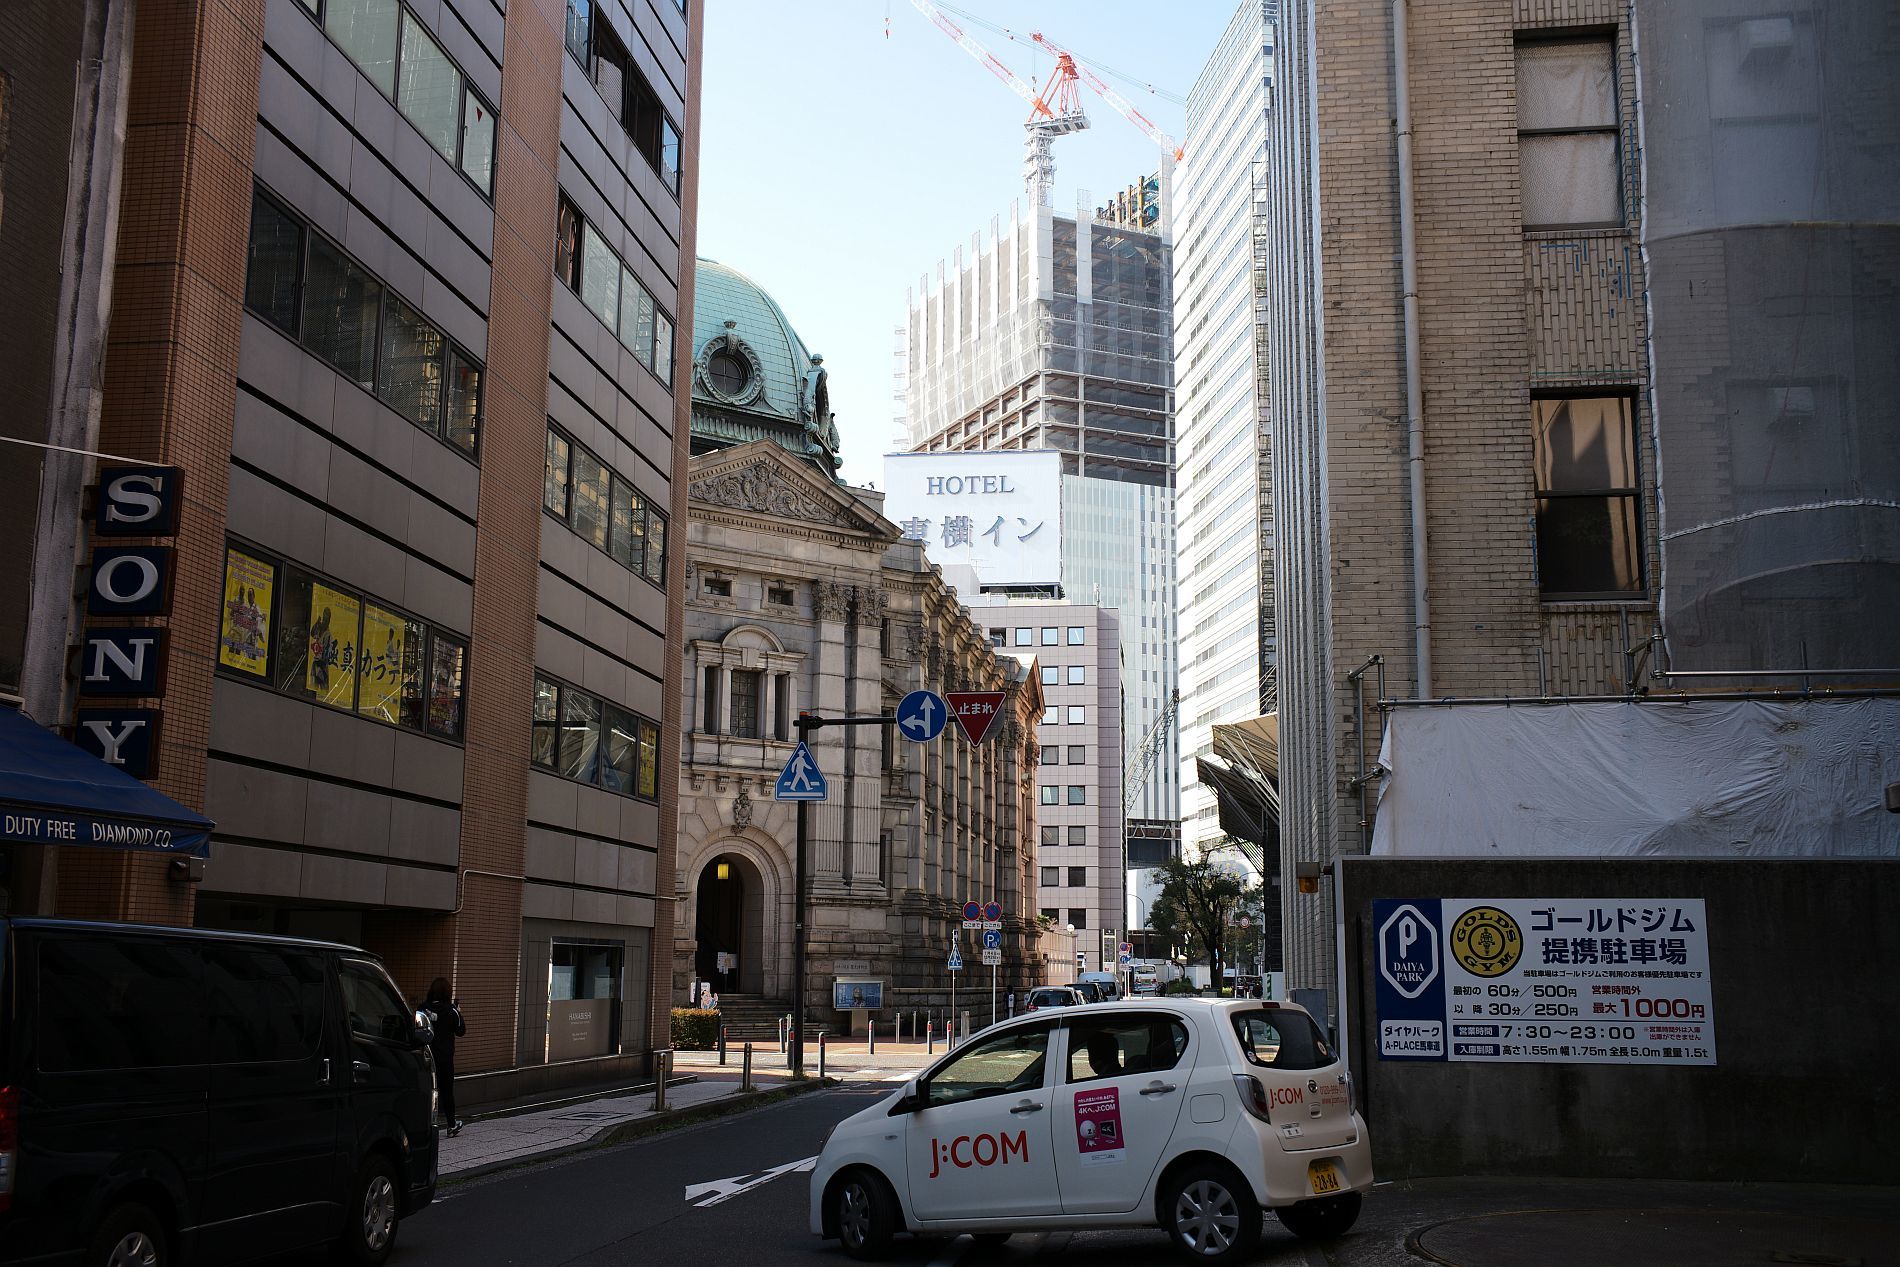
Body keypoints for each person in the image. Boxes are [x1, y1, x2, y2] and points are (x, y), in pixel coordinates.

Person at [423, 977, 466, 1136]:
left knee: (426, 1090)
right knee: (447, 1091)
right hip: (445, 1058)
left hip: (425, 1057)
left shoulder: (423, 1008)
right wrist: (458, 1012)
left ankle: (423, 1125)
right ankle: (451, 1125)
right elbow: (461, 1031)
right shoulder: (451, 1010)